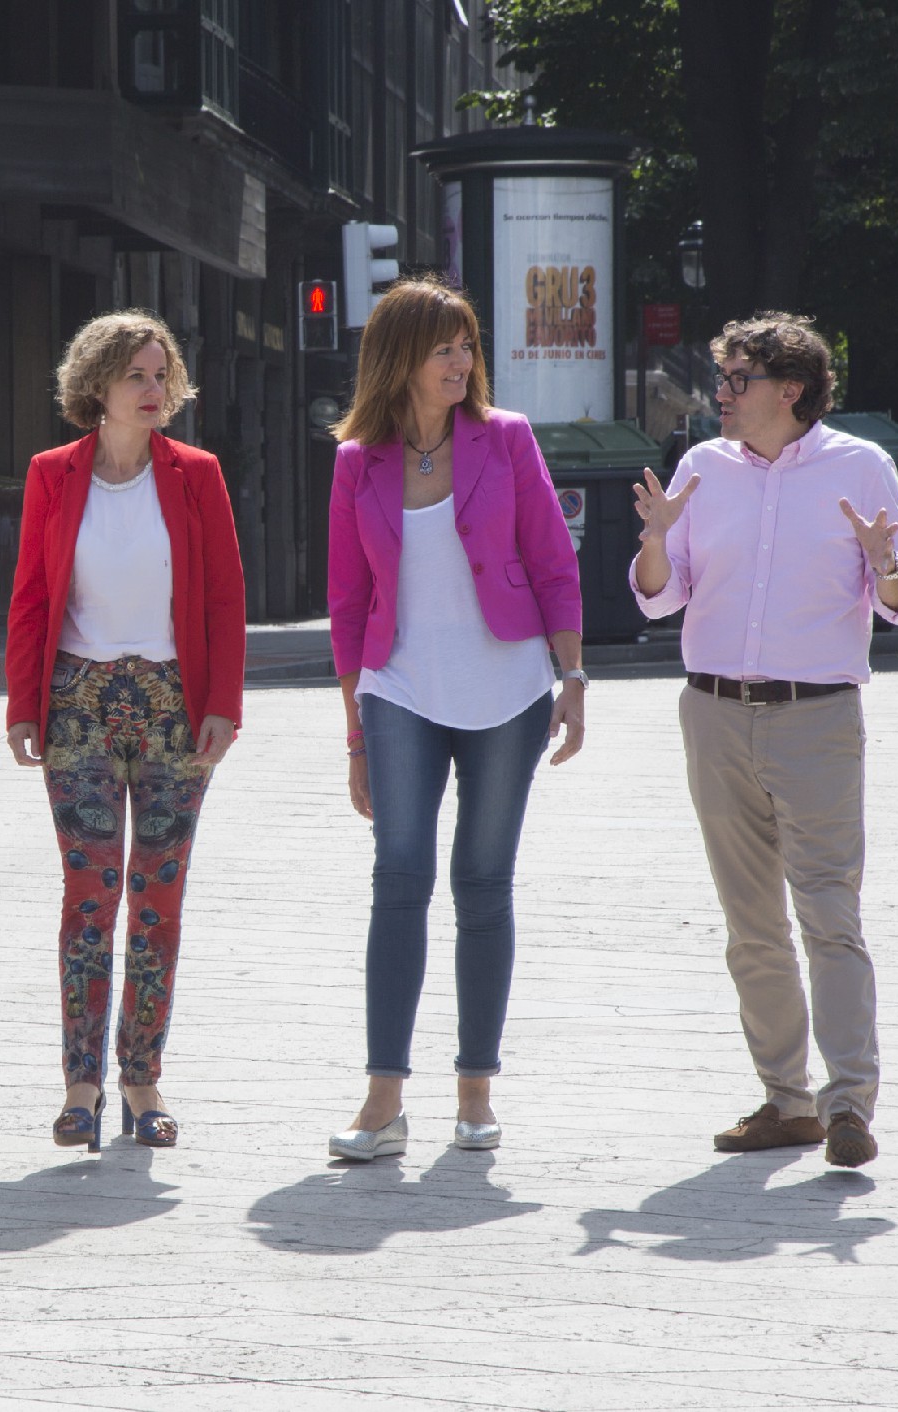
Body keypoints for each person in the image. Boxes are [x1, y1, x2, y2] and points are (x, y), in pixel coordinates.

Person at [629, 311, 898, 1169]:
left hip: (818, 717)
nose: (719, 394)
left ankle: (848, 1107)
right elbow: (658, 597)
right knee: (750, 923)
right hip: (715, 713)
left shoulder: (860, 466)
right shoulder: (701, 469)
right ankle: (785, 1101)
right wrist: (655, 539)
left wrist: (884, 564)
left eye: (735, 381)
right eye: (721, 379)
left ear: (789, 389)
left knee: (830, 913)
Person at [325, 277, 585, 1163]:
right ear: (400, 355)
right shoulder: (358, 457)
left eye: (467, 344)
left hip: (506, 689)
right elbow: (349, 598)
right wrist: (355, 728)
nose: (462, 361)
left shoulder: (504, 439)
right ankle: (383, 1098)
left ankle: (475, 1090)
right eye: (445, 346)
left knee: (482, 882)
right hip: (398, 687)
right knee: (398, 877)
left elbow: (552, 560)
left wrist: (573, 674)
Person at [3, 311, 244, 1151]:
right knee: (90, 895)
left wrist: (223, 704)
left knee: (158, 898)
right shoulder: (51, 475)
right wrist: (23, 707)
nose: (155, 390)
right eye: (138, 375)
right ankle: (80, 1085)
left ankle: (143, 1081)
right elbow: (33, 594)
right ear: (97, 387)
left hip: (176, 703)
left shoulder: (197, 475)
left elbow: (223, 595)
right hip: (78, 701)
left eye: (163, 375)